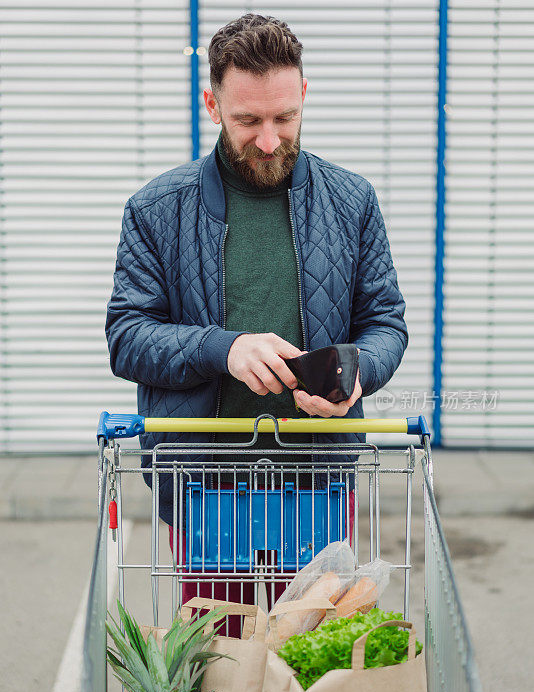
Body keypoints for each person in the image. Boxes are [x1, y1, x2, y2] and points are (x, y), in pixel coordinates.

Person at [106, 14, 408, 627]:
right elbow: (127, 335)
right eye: (248, 121)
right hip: (208, 483)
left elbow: (386, 326)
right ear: (213, 105)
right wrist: (225, 349)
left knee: (315, 670)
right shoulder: (156, 210)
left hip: (318, 477)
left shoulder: (352, 201)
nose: (269, 140)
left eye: (284, 118)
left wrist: (356, 371)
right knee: (222, 666)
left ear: (303, 94)